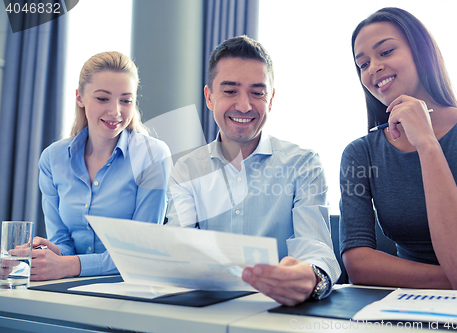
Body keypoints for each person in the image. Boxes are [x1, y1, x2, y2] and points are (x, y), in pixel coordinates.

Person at [166, 35, 341, 306]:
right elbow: (179, 249)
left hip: (278, 314)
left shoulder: (303, 164)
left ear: (270, 99)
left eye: (257, 93)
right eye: (230, 91)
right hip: (204, 314)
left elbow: (315, 249)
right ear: (210, 97)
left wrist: (311, 278)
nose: (244, 106)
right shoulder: (187, 170)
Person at [340, 7, 457, 291]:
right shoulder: (359, 153)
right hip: (406, 304)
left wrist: (427, 144)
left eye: (386, 52)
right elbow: (358, 264)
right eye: (362, 64)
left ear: (421, 53)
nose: (373, 67)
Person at [33, 51, 172, 280]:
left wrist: (69, 266)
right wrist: (46, 255)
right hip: (69, 287)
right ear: (80, 98)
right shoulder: (53, 159)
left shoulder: (152, 156)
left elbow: (139, 252)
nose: (115, 111)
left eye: (125, 100)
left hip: (129, 289)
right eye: (102, 98)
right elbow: (63, 244)